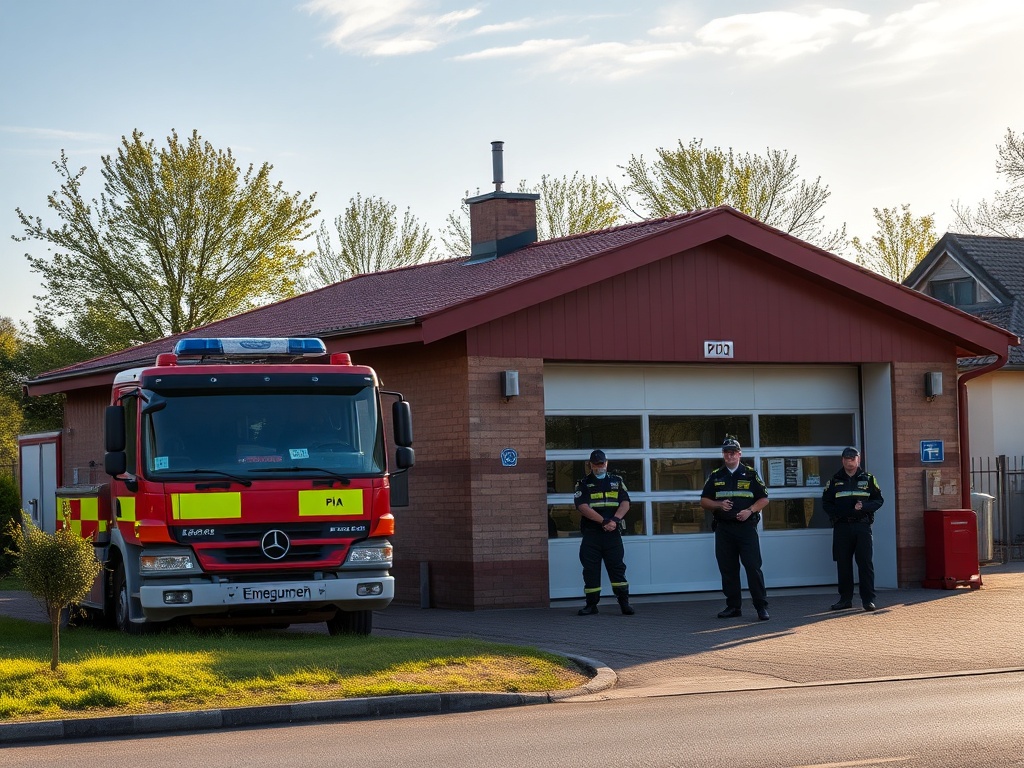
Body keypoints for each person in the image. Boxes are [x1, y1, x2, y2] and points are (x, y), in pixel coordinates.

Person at [700, 437, 770, 621]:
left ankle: (761, 607)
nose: (729, 455)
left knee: (753, 567)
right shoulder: (716, 475)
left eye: (733, 452)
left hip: (746, 529)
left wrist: (749, 510)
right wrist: (718, 504)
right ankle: (733, 607)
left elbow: (764, 499)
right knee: (728, 569)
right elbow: (704, 501)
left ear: (739, 454)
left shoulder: (751, 474)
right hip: (724, 529)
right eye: (726, 452)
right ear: (723, 455)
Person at [821, 446, 884, 612]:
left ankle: (868, 600)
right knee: (843, 564)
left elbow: (878, 501)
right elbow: (826, 503)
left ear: (859, 459)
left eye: (852, 458)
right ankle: (845, 599)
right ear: (842, 460)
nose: (849, 462)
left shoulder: (868, 479)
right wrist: (838, 514)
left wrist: (864, 506)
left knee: (865, 563)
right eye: (846, 459)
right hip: (842, 527)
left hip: (862, 526)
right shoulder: (834, 480)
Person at [573, 449, 634, 616]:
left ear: (606, 463)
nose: (600, 466)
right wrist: (604, 521)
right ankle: (591, 605)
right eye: (596, 464)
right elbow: (582, 507)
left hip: (612, 534)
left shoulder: (617, 481)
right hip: (592, 533)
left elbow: (625, 503)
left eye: (602, 463)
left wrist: (614, 520)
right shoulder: (583, 484)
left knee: (617, 568)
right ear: (590, 465)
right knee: (590, 570)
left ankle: (624, 603)